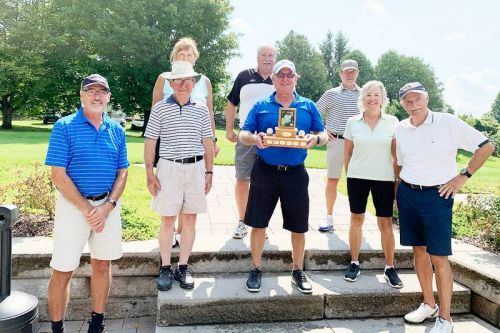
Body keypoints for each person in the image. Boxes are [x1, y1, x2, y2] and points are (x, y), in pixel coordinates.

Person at [396, 82, 494, 333]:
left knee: (439, 257)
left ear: (426, 98)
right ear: (402, 104)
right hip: (408, 193)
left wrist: (463, 176)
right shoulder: (402, 127)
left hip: (438, 195)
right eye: (407, 101)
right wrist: (398, 192)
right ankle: (429, 304)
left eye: (417, 98)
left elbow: (486, 146)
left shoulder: (447, 122)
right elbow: (400, 163)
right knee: (418, 251)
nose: (413, 104)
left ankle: (446, 319)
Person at [45, 74, 129, 333]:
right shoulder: (65, 126)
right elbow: (58, 174)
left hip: (107, 207)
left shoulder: (116, 130)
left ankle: (97, 323)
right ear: (81, 95)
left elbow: (123, 172)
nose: (97, 96)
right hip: (74, 208)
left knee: (103, 264)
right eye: (90, 91)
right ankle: (57, 328)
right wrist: (87, 209)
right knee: (63, 269)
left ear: (108, 97)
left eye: (102, 92)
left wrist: (108, 206)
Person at [239, 60, 328, 294]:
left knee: (299, 226)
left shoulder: (308, 106)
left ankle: (298, 269)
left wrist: (315, 140)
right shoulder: (261, 105)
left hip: (296, 174)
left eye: (290, 75)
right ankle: (256, 268)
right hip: (265, 170)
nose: (285, 79)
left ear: (296, 78)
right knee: (258, 223)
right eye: (281, 75)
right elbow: (243, 133)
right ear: (274, 79)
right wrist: (254, 139)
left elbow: (324, 134)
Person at [144, 61, 214, 292]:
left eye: (187, 80)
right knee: (167, 219)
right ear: (171, 83)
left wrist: (209, 171)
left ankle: (183, 266)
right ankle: (165, 266)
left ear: (193, 83)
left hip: (195, 168)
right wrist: (149, 173)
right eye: (178, 80)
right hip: (168, 168)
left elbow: (207, 142)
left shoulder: (201, 109)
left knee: (191, 219)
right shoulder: (160, 108)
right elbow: (151, 141)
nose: (183, 84)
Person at [151, 37, 218, 248]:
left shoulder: (204, 81)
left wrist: (212, 140)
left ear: (195, 58)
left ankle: (181, 232)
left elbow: (209, 113)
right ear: (174, 57)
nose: (186, 57)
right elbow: (156, 108)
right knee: (170, 190)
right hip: (171, 143)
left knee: (190, 194)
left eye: (189, 54)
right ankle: (169, 231)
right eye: (181, 54)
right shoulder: (164, 78)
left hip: (197, 143)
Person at [343, 80, 402, 288]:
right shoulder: (352, 122)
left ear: (383, 99)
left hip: (384, 178)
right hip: (358, 177)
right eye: (368, 94)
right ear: (363, 98)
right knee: (356, 219)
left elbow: (396, 157)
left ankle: (389, 267)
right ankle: (354, 263)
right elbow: (347, 153)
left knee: (385, 223)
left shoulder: (393, 122)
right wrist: (349, 174)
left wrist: (397, 182)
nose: (372, 98)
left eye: (376, 95)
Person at [225, 45, 276, 239]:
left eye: (271, 55)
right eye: (263, 55)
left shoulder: (281, 78)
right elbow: (231, 103)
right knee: (242, 179)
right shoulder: (244, 76)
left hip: (272, 139)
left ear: (275, 58)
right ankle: (242, 221)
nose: (267, 58)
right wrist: (229, 129)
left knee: (267, 182)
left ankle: (261, 224)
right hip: (247, 135)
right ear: (257, 57)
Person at [316, 59, 361, 233]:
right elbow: (315, 111)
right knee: (333, 180)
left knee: (357, 183)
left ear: (357, 73)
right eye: (346, 72)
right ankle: (328, 217)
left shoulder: (364, 94)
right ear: (340, 74)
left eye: (353, 71)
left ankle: (356, 220)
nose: (349, 74)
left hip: (358, 145)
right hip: (336, 141)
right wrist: (322, 129)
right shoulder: (331, 94)